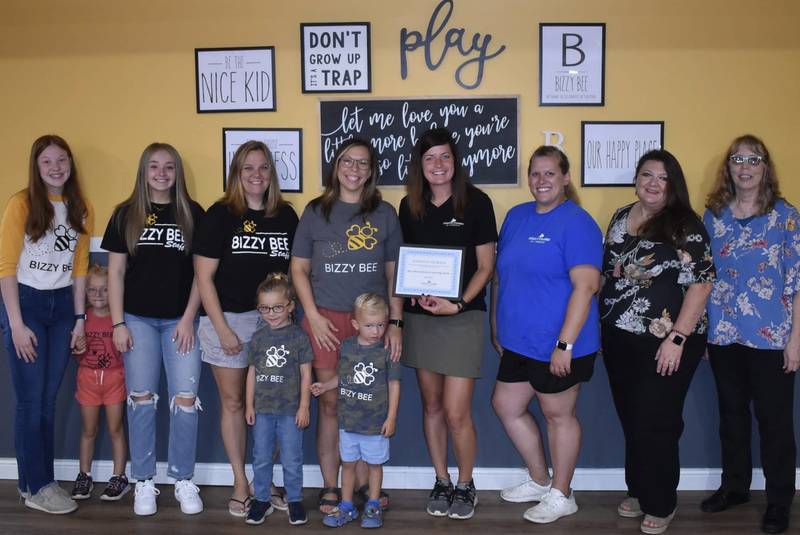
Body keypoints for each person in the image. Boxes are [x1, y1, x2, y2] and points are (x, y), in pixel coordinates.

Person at [599, 149, 715, 534]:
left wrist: (678, 338)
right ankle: (640, 489)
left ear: (673, 184)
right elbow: (610, 270)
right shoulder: (620, 217)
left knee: (658, 420)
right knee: (632, 416)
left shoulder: (685, 225)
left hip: (668, 339)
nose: (652, 183)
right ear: (636, 178)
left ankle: (662, 502)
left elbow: (701, 283)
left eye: (662, 178)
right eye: (646, 174)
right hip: (619, 336)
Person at [490, 146, 602, 523]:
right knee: (506, 406)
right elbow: (502, 276)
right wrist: (498, 328)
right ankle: (540, 480)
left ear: (565, 178)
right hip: (519, 341)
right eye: (535, 174)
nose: (541, 181)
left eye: (550, 173)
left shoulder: (578, 223)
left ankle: (562, 493)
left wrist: (564, 345)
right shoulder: (517, 216)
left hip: (560, 344)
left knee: (559, 416)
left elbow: (585, 287)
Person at [290, 137, 402, 514]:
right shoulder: (315, 211)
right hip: (325, 321)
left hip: (370, 322)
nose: (354, 169)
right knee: (333, 403)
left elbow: (394, 274)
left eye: (363, 163)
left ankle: (364, 486)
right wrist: (314, 316)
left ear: (371, 172)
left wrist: (395, 323)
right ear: (335, 167)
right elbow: (299, 269)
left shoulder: (384, 213)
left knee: (368, 399)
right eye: (347, 162)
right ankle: (331, 485)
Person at [194, 140, 298, 517]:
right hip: (229, 320)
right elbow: (204, 278)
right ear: (236, 174)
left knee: (272, 406)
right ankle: (241, 481)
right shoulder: (219, 215)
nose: (256, 175)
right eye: (248, 168)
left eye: (264, 168)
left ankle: (264, 479)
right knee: (236, 403)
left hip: (274, 323)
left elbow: (295, 275)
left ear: (272, 173)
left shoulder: (286, 216)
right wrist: (221, 328)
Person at [701, 134, 798, 535]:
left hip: (772, 336)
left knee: (775, 422)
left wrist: (796, 339)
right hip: (724, 335)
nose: (745, 167)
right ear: (729, 167)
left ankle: (779, 501)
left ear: (764, 166)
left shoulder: (785, 216)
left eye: (753, 160)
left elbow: (796, 280)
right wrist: (706, 331)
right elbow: (705, 277)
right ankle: (735, 487)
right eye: (738, 159)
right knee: (731, 416)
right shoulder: (714, 216)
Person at [399, 127, 497, 520]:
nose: (438, 165)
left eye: (444, 156)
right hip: (422, 320)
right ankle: (441, 478)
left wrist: (456, 304)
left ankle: (465, 483)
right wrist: (410, 292)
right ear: (420, 166)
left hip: (462, 318)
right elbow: (407, 262)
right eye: (429, 158)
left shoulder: (477, 203)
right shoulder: (409, 206)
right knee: (433, 406)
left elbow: (486, 267)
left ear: (455, 162)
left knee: (458, 412)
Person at [102, 142, 205, 516]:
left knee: (185, 400)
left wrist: (189, 317)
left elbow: (201, 274)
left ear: (177, 173)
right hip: (137, 321)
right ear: (143, 172)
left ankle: (182, 479)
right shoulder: (125, 214)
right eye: (154, 167)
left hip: (181, 321)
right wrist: (117, 323)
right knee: (141, 398)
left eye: (169, 168)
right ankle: (143, 480)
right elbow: (114, 272)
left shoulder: (193, 213)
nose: (161, 174)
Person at [0, 134, 92, 514]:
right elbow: (5, 267)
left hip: (61, 312)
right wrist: (17, 325)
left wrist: (80, 319)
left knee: (47, 401)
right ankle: (38, 486)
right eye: (47, 162)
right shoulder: (22, 203)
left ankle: (35, 482)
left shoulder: (80, 206)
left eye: (62, 160)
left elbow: (80, 267)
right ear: (37, 167)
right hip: (27, 305)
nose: (56, 167)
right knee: (30, 402)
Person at [311, 293, 401, 529]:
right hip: (348, 422)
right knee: (348, 464)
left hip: (375, 424)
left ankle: (372, 505)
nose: (376, 331)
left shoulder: (387, 349)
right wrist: (326, 385)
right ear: (355, 324)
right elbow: (344, 376)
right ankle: (347, 505)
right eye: (370, 325)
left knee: (374, 465)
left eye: (381, 324)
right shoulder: (348, 346)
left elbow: (394, 384)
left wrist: (391, 417)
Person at [244, 273, 312, 526]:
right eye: (264, 308)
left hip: (290, 410)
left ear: (290, 306)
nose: (270, 313)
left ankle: (294, 500)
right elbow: (252, 372)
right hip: (262, 409)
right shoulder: (259, 338)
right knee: (261, 456)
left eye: (277, 307)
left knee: (292, 457)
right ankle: (261, 499)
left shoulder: (298, 337)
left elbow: (307, 374)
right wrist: (249, 404)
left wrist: (304, 406)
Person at [71, 264, 129, 502]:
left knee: (115, 429)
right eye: (92, 290)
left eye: (105, 290)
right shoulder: (82, 320)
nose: (98, 295)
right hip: (88, 380)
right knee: (88, 430)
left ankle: (119, 476)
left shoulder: (120, 320)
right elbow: (76, 350)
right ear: (85, 292)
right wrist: (78, 349)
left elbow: (128, 350)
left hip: (114, 379)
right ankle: (84, 475)